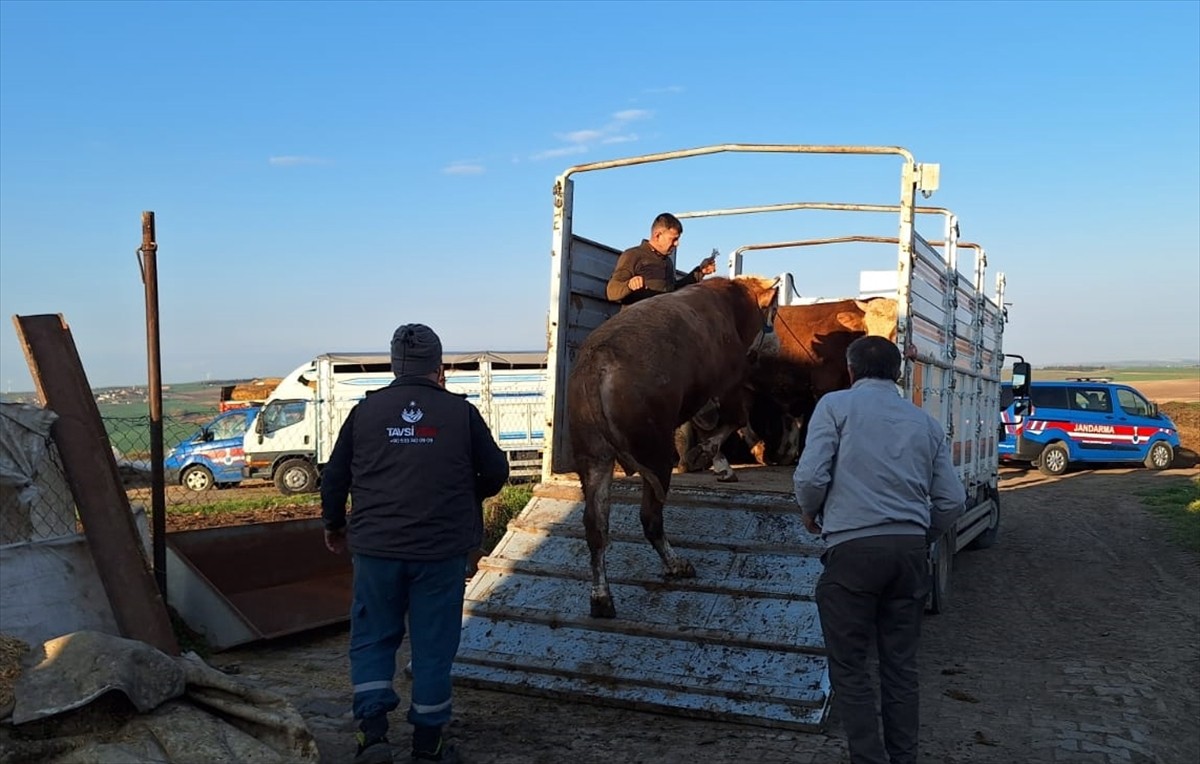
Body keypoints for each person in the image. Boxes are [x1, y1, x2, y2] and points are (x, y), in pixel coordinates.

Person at [322, 323, 509, 764]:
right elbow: (497, 473)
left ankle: (373, 737)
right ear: (438, 368)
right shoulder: (460, 414)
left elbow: (334, 476)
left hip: (375, 550)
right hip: (440, 552)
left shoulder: (364, 412)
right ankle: (429, 746)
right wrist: (468, 493)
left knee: (372, 636)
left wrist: (334, 524)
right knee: (433, 644)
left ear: (394, 364)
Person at [792, 335, 965, 764]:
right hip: (908, 556)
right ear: (899, 373)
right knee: (901, 668)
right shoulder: (924, 422)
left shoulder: (834, 407)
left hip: (851, 553)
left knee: (850, 668)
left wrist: (810, 513)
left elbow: (811, 476)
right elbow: (953, 501)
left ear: (850, 372)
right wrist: (917, 534)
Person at [605, 212, 716, 307]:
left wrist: (701, 271)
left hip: (662, 325)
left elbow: (673, 291)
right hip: (636, 326)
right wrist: (629, 285)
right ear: (657, 235)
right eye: (673, 239)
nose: (677, 244)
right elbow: (611, 292)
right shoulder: (633, 255)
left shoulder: (667, 262)